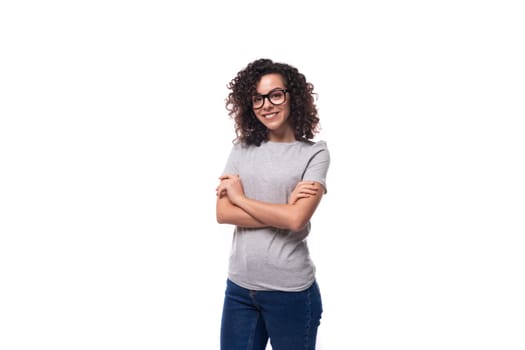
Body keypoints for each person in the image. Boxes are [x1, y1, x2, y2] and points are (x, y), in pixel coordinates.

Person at [216, 58, 330, 350]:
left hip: (290, 293)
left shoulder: (314, 154)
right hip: (240, 289)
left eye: (275, 95)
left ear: (293, 97)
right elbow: (222, 212)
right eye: (257, 98)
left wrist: (241, 199)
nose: (267, 104)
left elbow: (296, 221)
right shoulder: (241, 148)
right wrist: (284, 209)